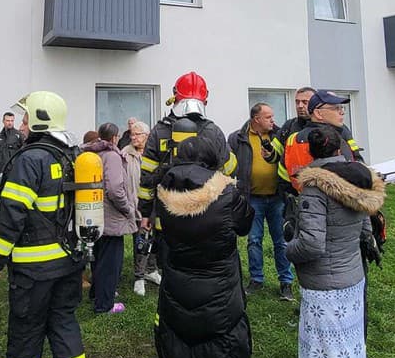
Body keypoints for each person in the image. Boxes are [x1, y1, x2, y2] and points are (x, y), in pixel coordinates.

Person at [0, 91, 89, 358]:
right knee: (64, 325)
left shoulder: (30, 159)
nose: (23, 124)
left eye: (27, 118)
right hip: (69, 261)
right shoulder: (72, 154)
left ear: (40, 120)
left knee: (26, 331)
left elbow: (12, 215)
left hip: (33, 268)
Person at [154, 136, 253, 358]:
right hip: (218, 292)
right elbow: (245, 224)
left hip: (176, 287)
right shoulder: (226, 194)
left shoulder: (162, 191)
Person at [285, 126, 385, 358]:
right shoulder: (360, 179)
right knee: (349, 354)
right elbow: (365, 230)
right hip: (351, 280)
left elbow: (311, 244)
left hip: (325, 287)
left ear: (310, 153)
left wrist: (287, 248)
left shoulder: (316, 188)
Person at [138, 71, 236, 234]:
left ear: (175, 97)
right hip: (206, 217)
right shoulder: (214, 131)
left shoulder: (159, 131)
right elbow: (230, 170)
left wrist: (145, 213)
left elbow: (147, 178)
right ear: (204, 100)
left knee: (168, 259)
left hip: (167, 220)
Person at [228, 103, 295, 299]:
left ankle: (286, 283)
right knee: (254, 240)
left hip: (277, 197)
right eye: (268, 117)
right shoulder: (237, 138)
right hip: (252, 198)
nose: (273, 120)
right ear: (256, 119)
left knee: (281, 241)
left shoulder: (279, 136)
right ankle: (256, 279)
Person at [84, 122, 137, 314]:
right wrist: (127, 208)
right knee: (110, 262)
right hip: (111, 217)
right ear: (115, 137)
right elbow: (115, 189)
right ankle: (105, 304)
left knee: (98, 257)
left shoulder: (90, 154)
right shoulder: (112, 157)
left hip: (93, 213)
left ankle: (96, 294)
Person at [282, 90, 363, 191]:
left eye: (342, 108)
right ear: (318, 113)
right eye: (336, 108)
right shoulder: (332, 139)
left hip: (302, 197)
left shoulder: (292, 138)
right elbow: (349, 177)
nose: (341, 112)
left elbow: (284, 171)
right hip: (332, 201)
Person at [122, 121, 160, 297]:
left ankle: (151, 270)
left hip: (154, 205)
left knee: (153, 240)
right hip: (135, 206)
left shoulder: (153, 154)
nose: (133, 137)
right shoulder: (125, 155)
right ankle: (139, 277)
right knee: (140, 242)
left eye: (137, 134)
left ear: (146, 136)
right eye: (132, 134)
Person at [0, 111, 25, 186]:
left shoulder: (19, 135)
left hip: (12, 170)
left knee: (10, 193)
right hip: (0, 170)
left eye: (12, 121)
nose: (10, 123)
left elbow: (25, 149)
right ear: (3, 121)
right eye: (8, 120)